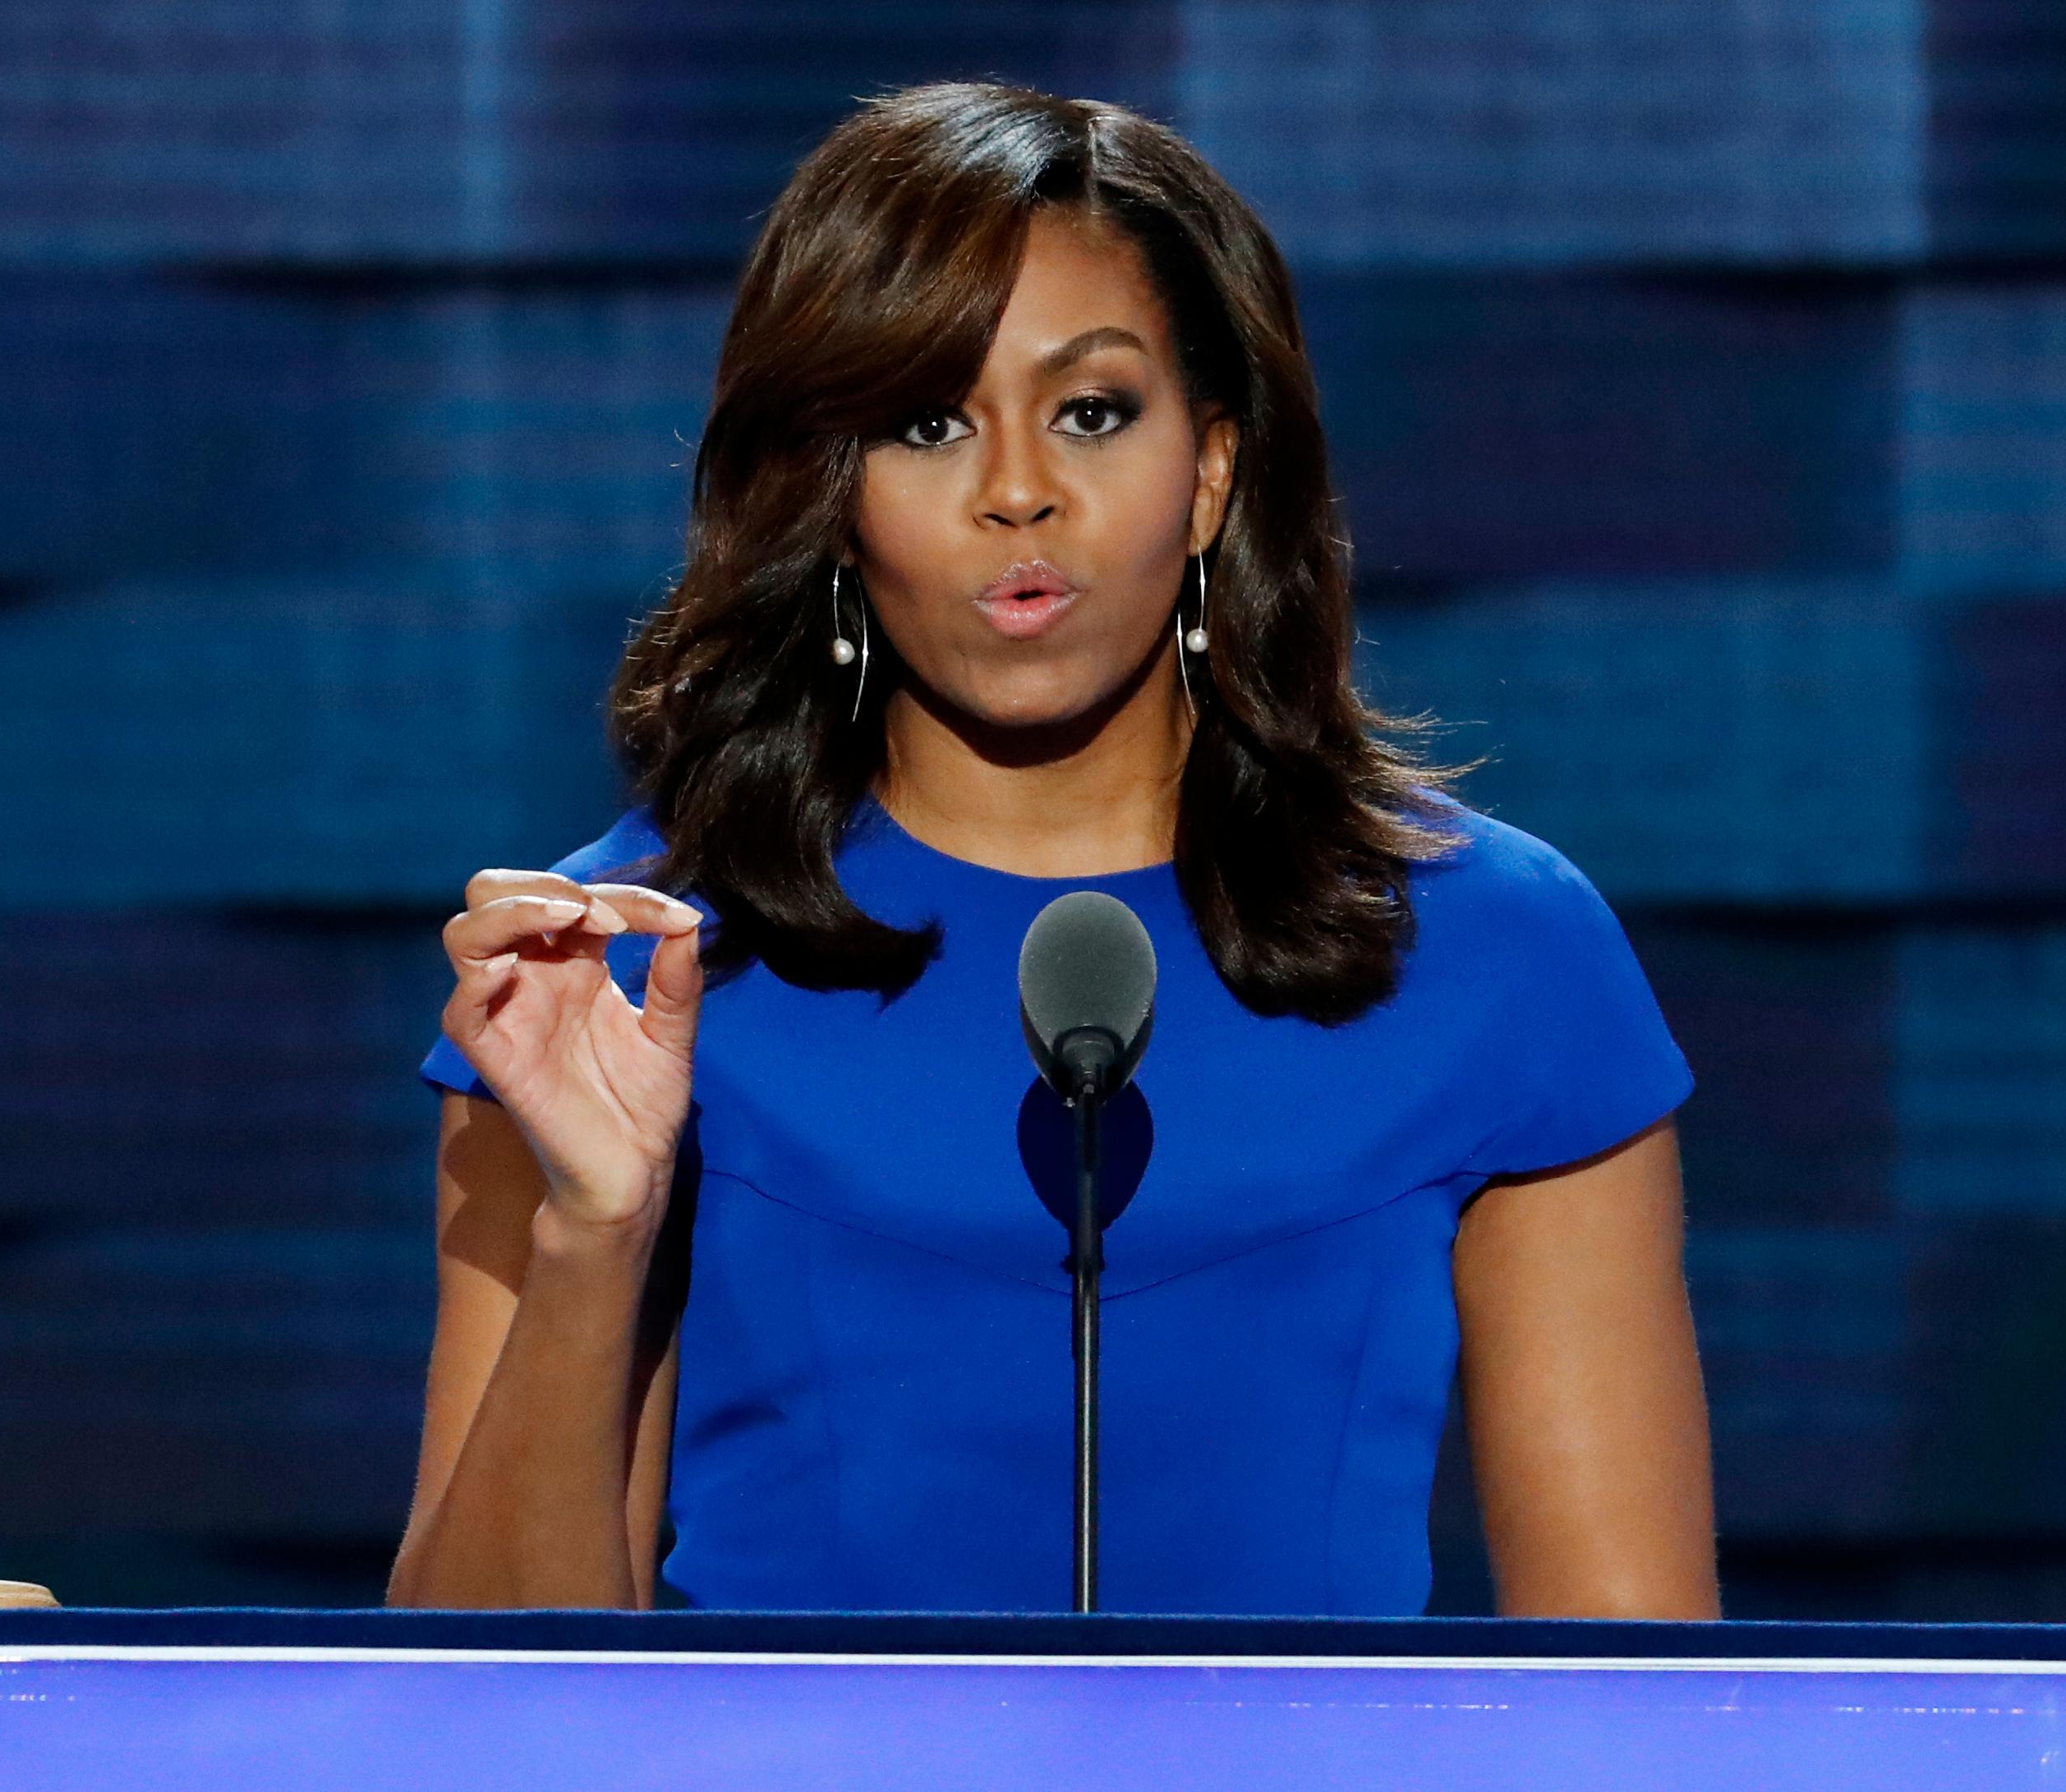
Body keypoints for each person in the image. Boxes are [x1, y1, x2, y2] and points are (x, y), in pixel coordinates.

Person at [384, 82, 1717, 1618]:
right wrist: (594, 1231)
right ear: (833, 487)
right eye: (929, 421)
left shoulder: (1496, 950)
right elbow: (479, 1700)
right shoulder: (612, 975)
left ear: (1210, 471)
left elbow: (1630, 1688)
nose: (1018, 489)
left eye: (1093, 411)